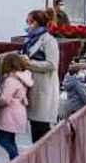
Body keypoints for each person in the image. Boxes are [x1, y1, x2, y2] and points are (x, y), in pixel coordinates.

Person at [23, 10, 61, 141]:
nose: (27, 24)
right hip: (32, 85)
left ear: (37, 23)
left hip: (44, 87)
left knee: (41, 125)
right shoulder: (30, 40)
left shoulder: (49, 40)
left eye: (30, 21)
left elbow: (52, 64)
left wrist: (29, 63)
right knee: (34, 124)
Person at [0, 53, 32, 162]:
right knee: (11, 140)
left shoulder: (11, 80)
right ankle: (14, 162)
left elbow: (5, 99)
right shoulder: (23, 78)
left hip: (9, 115)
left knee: (4, 141)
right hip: (18, 112)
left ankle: (15, 161)